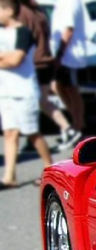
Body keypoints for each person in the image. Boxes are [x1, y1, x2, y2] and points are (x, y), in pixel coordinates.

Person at [0, 0, 51, 188]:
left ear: (8, 10)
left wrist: (7, 57)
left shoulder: (23, 33)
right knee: (10, 133)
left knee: (32, 133)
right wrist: (6, 57)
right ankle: (9, 177)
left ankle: (49, 167)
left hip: (23, 91)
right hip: (6, 91)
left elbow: (16, 59)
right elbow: (9, 58)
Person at [18, 0, 79, 152]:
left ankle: (67, 129)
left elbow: (22, 40)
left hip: (35, 62)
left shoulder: (23, 13)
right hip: (44, 61)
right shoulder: (39, 11)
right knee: (40, 101)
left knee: (38, 101)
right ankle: (35, 137)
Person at [51, 0, 87, 139]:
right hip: (64, 55)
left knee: (72, 90)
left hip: (70, 56)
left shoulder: (69, 3)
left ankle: (78, 125)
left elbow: (68, 30)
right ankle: (75, 121)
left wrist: (60, 54)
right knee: (58, 87)